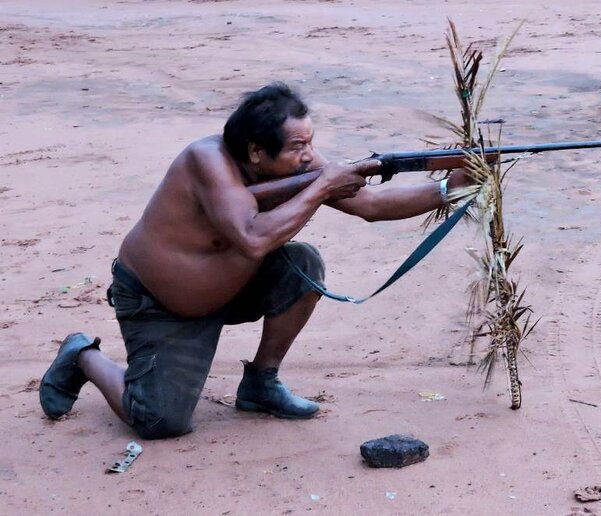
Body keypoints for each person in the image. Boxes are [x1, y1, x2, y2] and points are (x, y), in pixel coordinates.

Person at [39, 82, 471, 439]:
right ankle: (83, 356)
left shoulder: (295, 160)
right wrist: (320, 189)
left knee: (303, 265)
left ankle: (261, 383)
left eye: (310, 143)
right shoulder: (206, 162)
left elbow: (372, 205)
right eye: (297, 146)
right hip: (161, 304)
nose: (309, 156)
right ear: (255, 152)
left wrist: (449, 190)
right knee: (159, 422)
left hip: (232, 286)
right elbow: (249, 238)